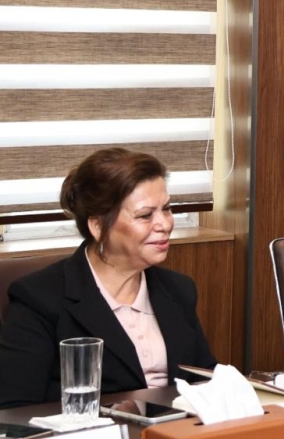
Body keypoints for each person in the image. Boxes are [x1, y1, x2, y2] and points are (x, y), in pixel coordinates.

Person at [0, 148, 216, 409]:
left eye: (167, 209)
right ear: (98, 226)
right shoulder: (38, 298)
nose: (165, 224)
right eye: (145, 215)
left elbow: (206, 381)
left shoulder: (179, 289)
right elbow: (14, 410)